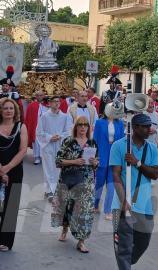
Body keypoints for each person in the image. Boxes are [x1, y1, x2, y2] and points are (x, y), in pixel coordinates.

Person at [111, 113, 158, 270]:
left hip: (145, 204)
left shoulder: (151, 148)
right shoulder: (119, 146)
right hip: (122, 205)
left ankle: (125, 262)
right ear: (135, 128)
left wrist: (137, 162)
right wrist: (123, 200)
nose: (149, 129)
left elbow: (155, 174)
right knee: (124, 246)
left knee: (143, 243)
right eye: (145, 126)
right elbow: (116, 175)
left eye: (149, 126)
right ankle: (124, 264)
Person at [0, 98, 28, 254]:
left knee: (11, 205)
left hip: (14, 170)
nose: (9, 111)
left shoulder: (21, 127)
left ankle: (5, 241)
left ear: (15, 111)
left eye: (11, 108)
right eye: (5, 108)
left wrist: (7, 168)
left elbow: (22, 151)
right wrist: (1, 170)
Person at [52, 116, 98, 254]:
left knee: (85, 211)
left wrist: (95, 163)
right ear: (76, 127)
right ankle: (65, 229)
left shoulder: (92, 142)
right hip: (69, 180)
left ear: (88, 128)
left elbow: (96, 162)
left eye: (85, 125)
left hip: (86, 182)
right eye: (80, 124)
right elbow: (58, 161)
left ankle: (81, 241)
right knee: (67, 207)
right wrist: (74, 162)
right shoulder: (68, 142)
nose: (83, 127)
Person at [36, 96, 73, 202]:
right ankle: (49, 191)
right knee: (48, 168)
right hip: (48, 145)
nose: (57, 103)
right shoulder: (44, 116)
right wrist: (49, 137)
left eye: (58, 101)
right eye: (54, 102)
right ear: (50, 103)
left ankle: (57, 190)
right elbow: (39, 132)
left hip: (60, 145)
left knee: (59, 168)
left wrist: (60, 136)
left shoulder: (65, 117)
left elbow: (68, 131)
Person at [93, 106, 124, 219]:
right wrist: (95, 156)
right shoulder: (99, 123)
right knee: (99, 184)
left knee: (111, 185)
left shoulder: (120, 123)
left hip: (114, 157)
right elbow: (95, 140)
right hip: (101, 155)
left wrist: (121, 157)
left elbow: (122, 141)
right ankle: (95, 205)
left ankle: (108, 211)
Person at [24, 91, 46, 165]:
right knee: (36, 142)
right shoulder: (31, 105)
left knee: (45, 142)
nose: (39, 97)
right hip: (35, 126)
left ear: (44, 96)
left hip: (45, 127)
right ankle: (37, 157)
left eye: (41, 95)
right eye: (38, 95)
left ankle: (44, 157)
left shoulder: (47, 105)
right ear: (36, 96)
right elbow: (28, 117)